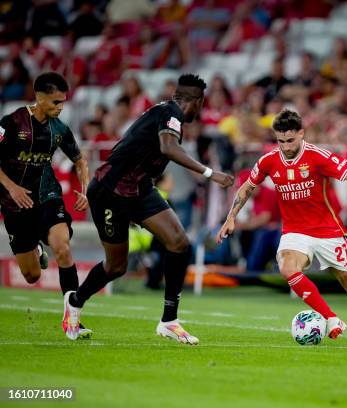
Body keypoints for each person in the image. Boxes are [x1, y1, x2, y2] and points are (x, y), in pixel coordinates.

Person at [62, 74, 234, 344]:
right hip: (110, 191)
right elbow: (168, 147)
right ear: (197, 102)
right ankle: (74, 301)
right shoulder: (170, 112)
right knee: (116, 267)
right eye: (202, 104)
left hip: (140, 190)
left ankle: (169, 321)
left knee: (179, 242)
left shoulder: (165, 112)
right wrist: (211, 173)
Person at [217, 109, 347, 344]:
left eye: (290, 140)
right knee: (287, 268)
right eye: (281, 141)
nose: (285, 147)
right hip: (295, 232)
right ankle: (330, 318)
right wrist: (231, 217)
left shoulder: (318, 156)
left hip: (328, 230)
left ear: (301, 134)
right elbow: (246, 187)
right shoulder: (269, 160)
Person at [0, 72, 92, 338]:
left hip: (47, 196)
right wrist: (12, 187)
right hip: (14, 203)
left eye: (63, 102)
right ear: (39, 98)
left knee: (63, 247)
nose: (60, 107)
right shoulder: (12, 123)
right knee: (31, 276)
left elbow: (80, 160)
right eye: (55, 102)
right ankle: (36, 245)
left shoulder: (59, 129)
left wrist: (84, 190)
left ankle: (73, 319)